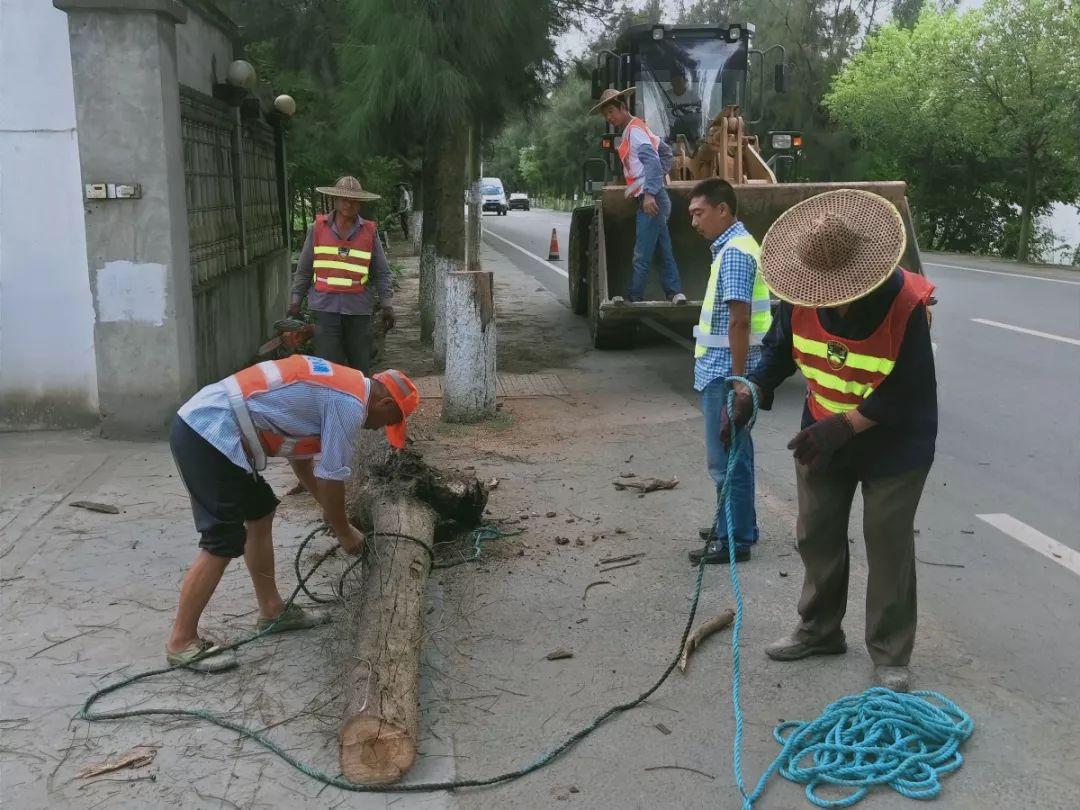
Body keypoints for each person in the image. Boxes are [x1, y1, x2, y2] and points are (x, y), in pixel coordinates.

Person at [730, 189, 936, 692]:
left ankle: (890, 654)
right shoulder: (799, 295)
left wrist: (847, 426)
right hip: (822, 431)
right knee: (816, 532)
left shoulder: (905, 304)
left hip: (894, 443)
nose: (827, 301)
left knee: (887, 544)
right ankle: (819, 630)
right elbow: (779, 351)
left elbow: (908, 390)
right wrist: (752, 389)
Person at [166, 357, 419, 672]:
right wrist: (343, 531)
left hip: (213, 427)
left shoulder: (342, 385)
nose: (381, 428)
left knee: (260, 511)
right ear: (383, 402)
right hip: (209, 432)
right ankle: (181, 641)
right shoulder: (350, 404)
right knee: (222, 538)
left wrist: (330, 512)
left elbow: (302, 463)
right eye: (389, 420)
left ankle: (272, 610)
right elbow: (331, 475)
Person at [687, 178, 773, 565]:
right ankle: (737, 525)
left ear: (723, 209)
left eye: (698, 213)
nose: (694, 222)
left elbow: (739, 321)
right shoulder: (735, 247)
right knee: (738, 453)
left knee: (725, 461)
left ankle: (733, 540)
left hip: (725, 373)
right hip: (724, 370)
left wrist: (738, 382)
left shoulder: (736, 253)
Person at [288, 176, 396, 376]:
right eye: (344, 199)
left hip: (359, 311)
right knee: (328, 371)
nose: (349, 204)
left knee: (360, 371)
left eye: (354, 200)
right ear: (335, 201)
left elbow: (381, 272)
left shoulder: (369, 232)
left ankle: (359, 406)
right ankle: (330, 406)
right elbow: (304, 269)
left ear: (360, 203)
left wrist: (387, 304)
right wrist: (295, 302)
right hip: (325, 309)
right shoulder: (317, 229)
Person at [590, 87, 686, 305]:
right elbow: (665, 153)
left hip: (651, 200)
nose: (610, 118)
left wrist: (650, 192)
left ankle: (635, 297)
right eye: (606, 115)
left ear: (623, 107)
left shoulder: (635, 132)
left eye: (612, 111)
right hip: (652, 196)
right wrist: (654, 183)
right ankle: (675, 292)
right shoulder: (636, 129)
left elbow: (653, 160)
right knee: (662, 247)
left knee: (642, 252)